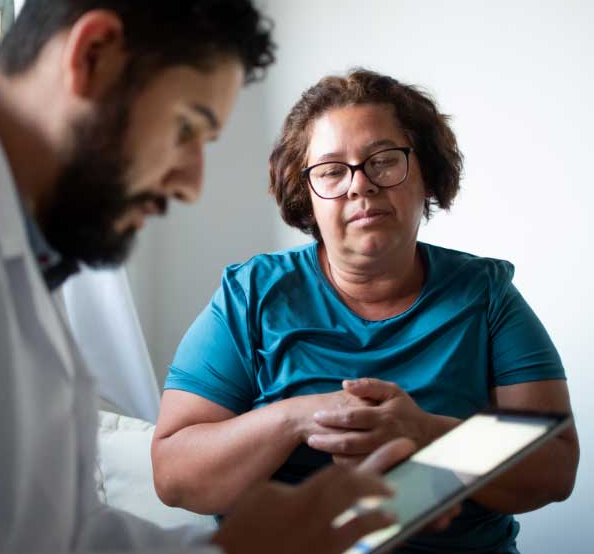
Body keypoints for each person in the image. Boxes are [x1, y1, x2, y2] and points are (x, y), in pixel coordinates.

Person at [0, 0, 410, 554]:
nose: (191, 183)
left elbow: (62, 538)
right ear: (93, 56)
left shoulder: (21, 258)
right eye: (186, 129)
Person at [153, 69, 580, 554]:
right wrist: (296, 418)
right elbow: (173, 476)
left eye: (382, 161)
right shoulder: (250, 295)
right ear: (306, 196)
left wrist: (424, 431)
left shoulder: (485, 296)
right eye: (332, 170)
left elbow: (556, 468)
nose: (360, 185)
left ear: (426, 176)